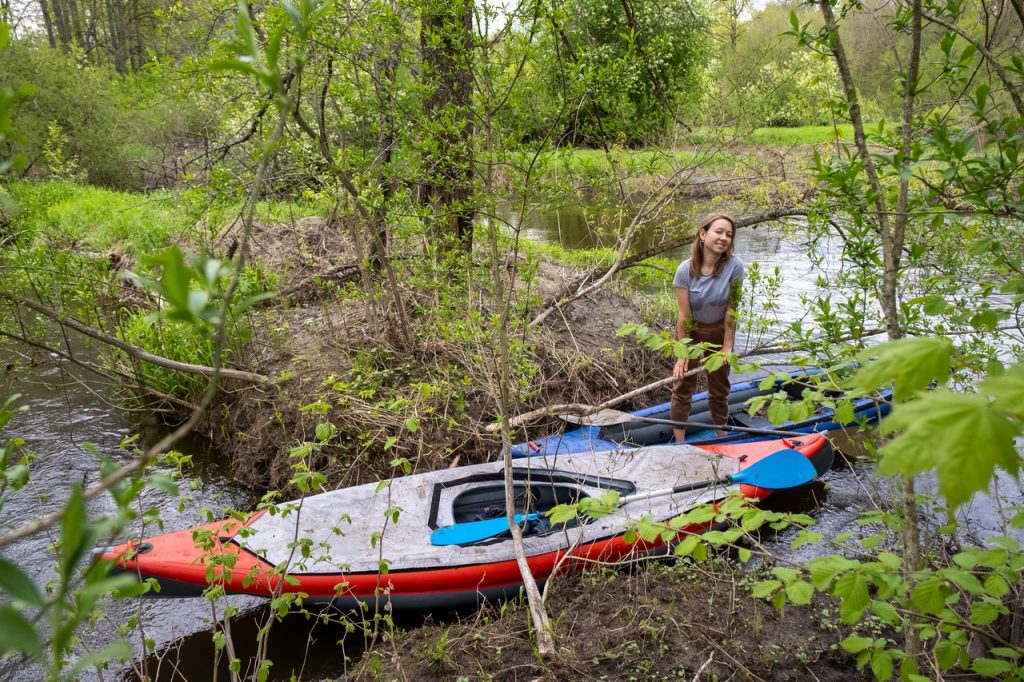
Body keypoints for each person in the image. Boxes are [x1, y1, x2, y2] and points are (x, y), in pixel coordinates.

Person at [671, 213, 744, 442]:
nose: (723, 238)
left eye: (729, 235)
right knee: (683, 385)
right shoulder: (685, 270)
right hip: (690, 332)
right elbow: (684, 316)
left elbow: (731, 311)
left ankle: (721, 434)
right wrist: (682, 353)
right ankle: (679, 443)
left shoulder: (735, 267)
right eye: (718, 231)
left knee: (719, 388)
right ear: (703, 234)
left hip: (719, 331)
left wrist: (727, 347)